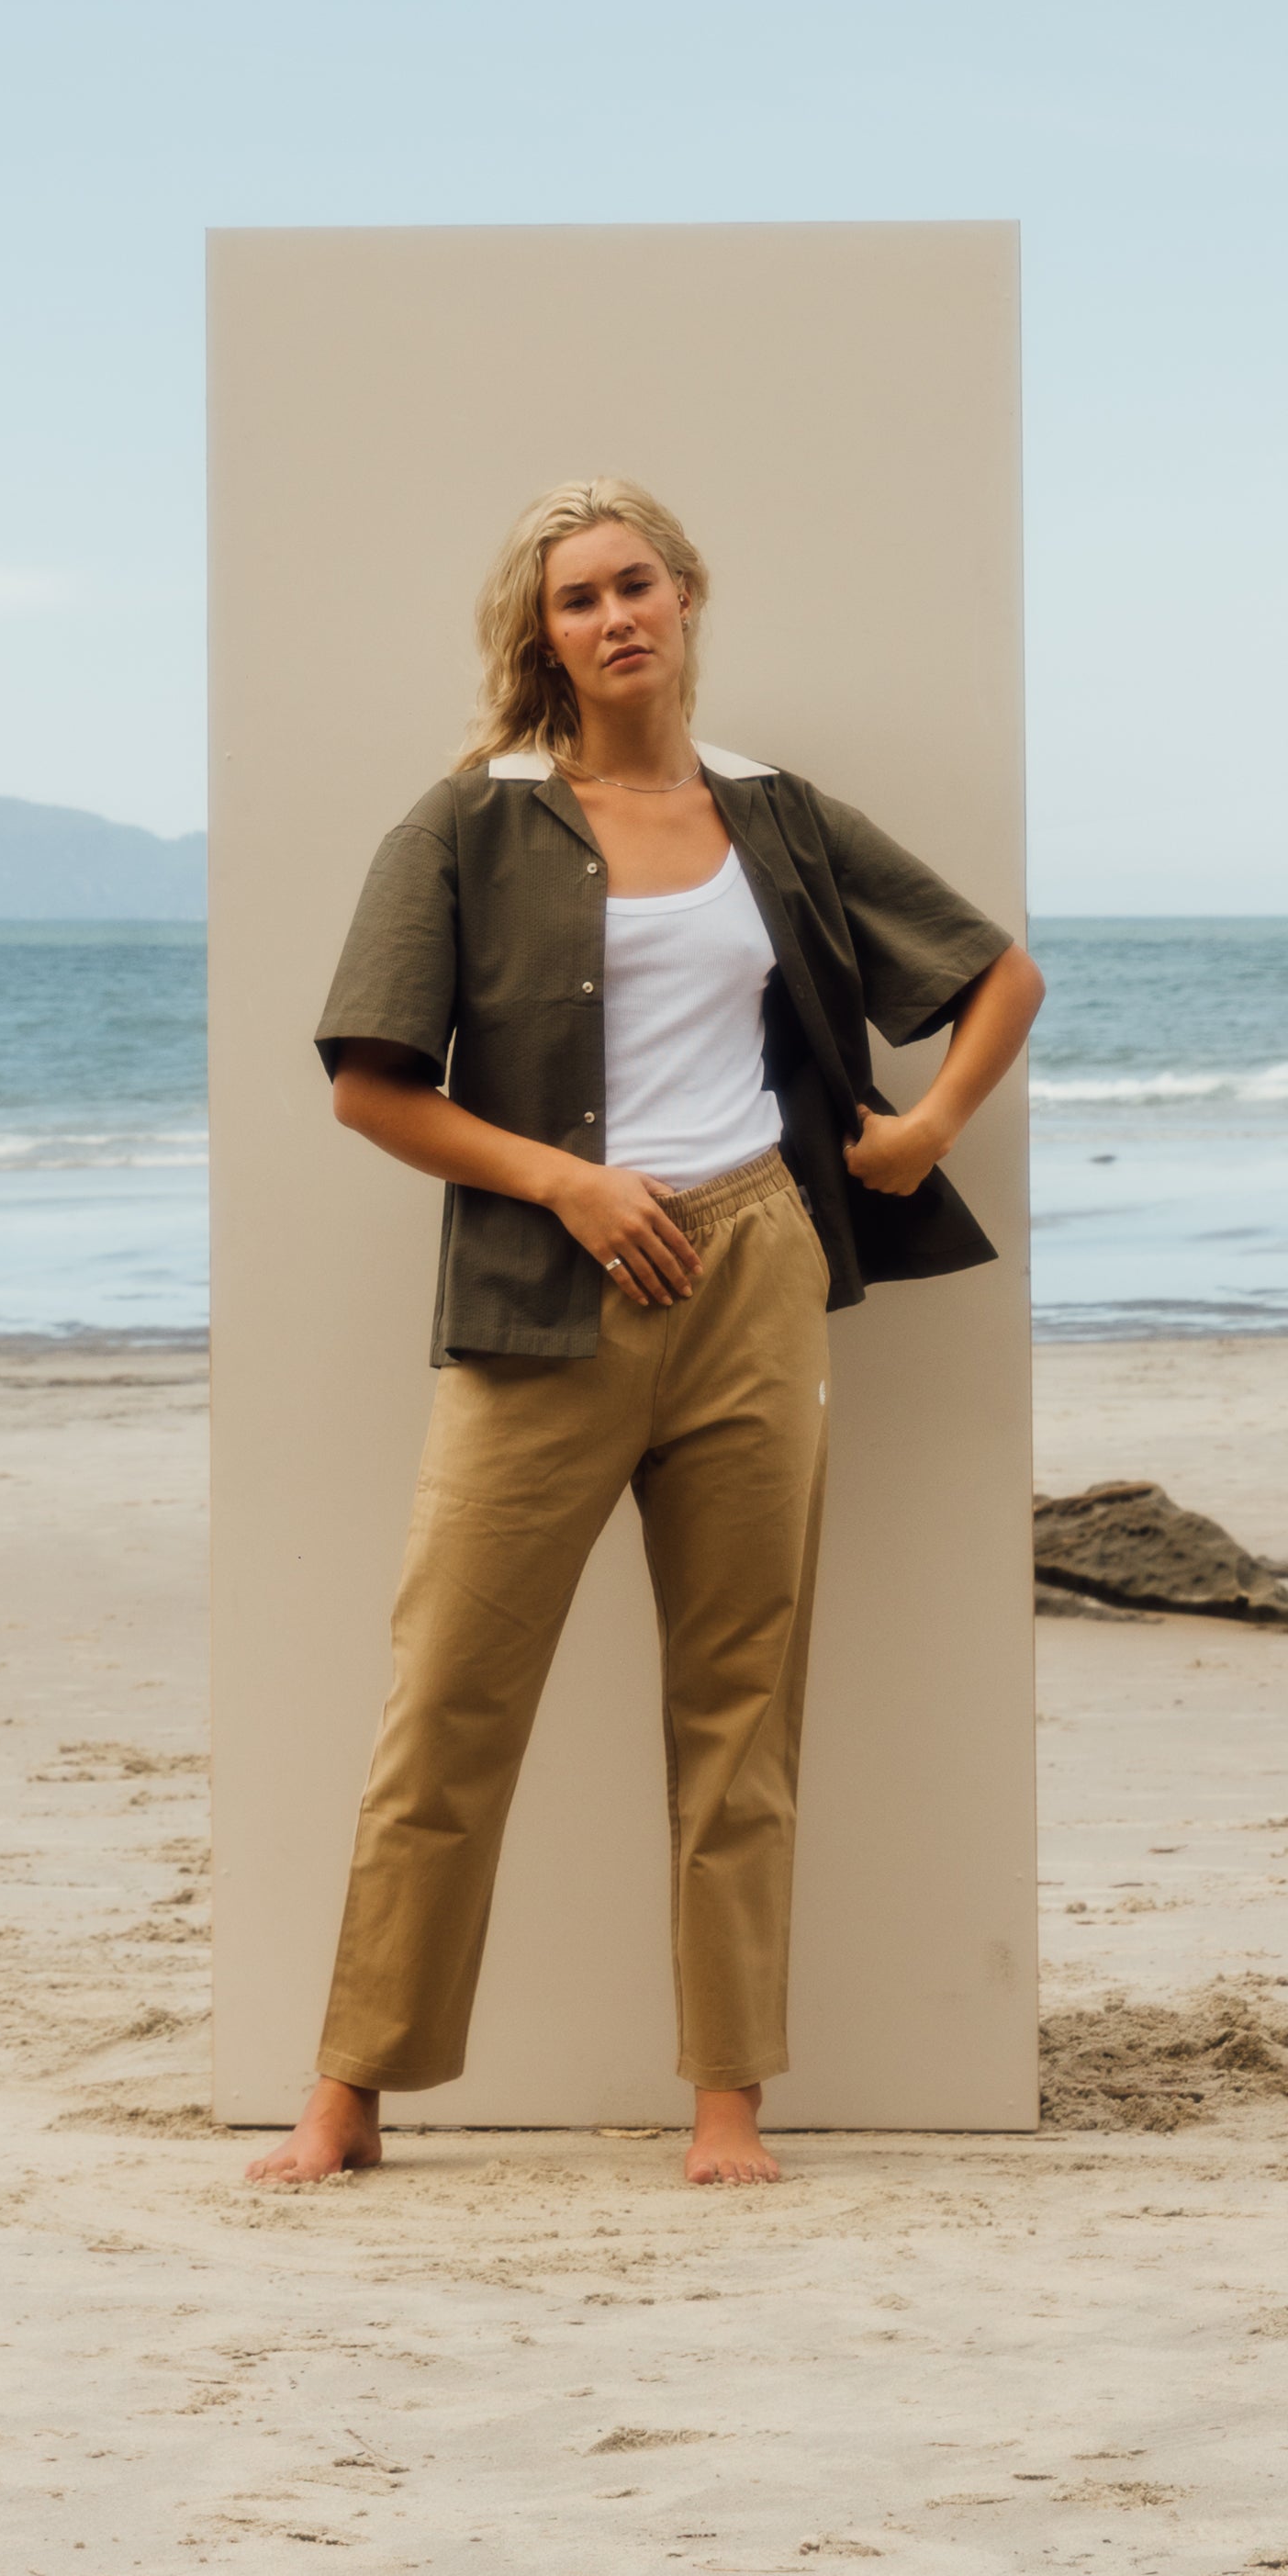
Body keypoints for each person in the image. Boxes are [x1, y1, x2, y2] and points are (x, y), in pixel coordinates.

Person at [247, 477, 1044, 2188]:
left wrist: (919, 1129)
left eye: (634, 584)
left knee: (740, 1701)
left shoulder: (776, 812)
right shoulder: (468, 822)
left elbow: (999, 976)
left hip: (752, 1266)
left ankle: (727, 2100)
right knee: (449, 1693)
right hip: (550, 1294)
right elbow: (371, 1088)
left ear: (686, 596)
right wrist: (565, 1182)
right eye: (573, 600)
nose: (611, 617)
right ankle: (350, 2087)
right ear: (541, 636)